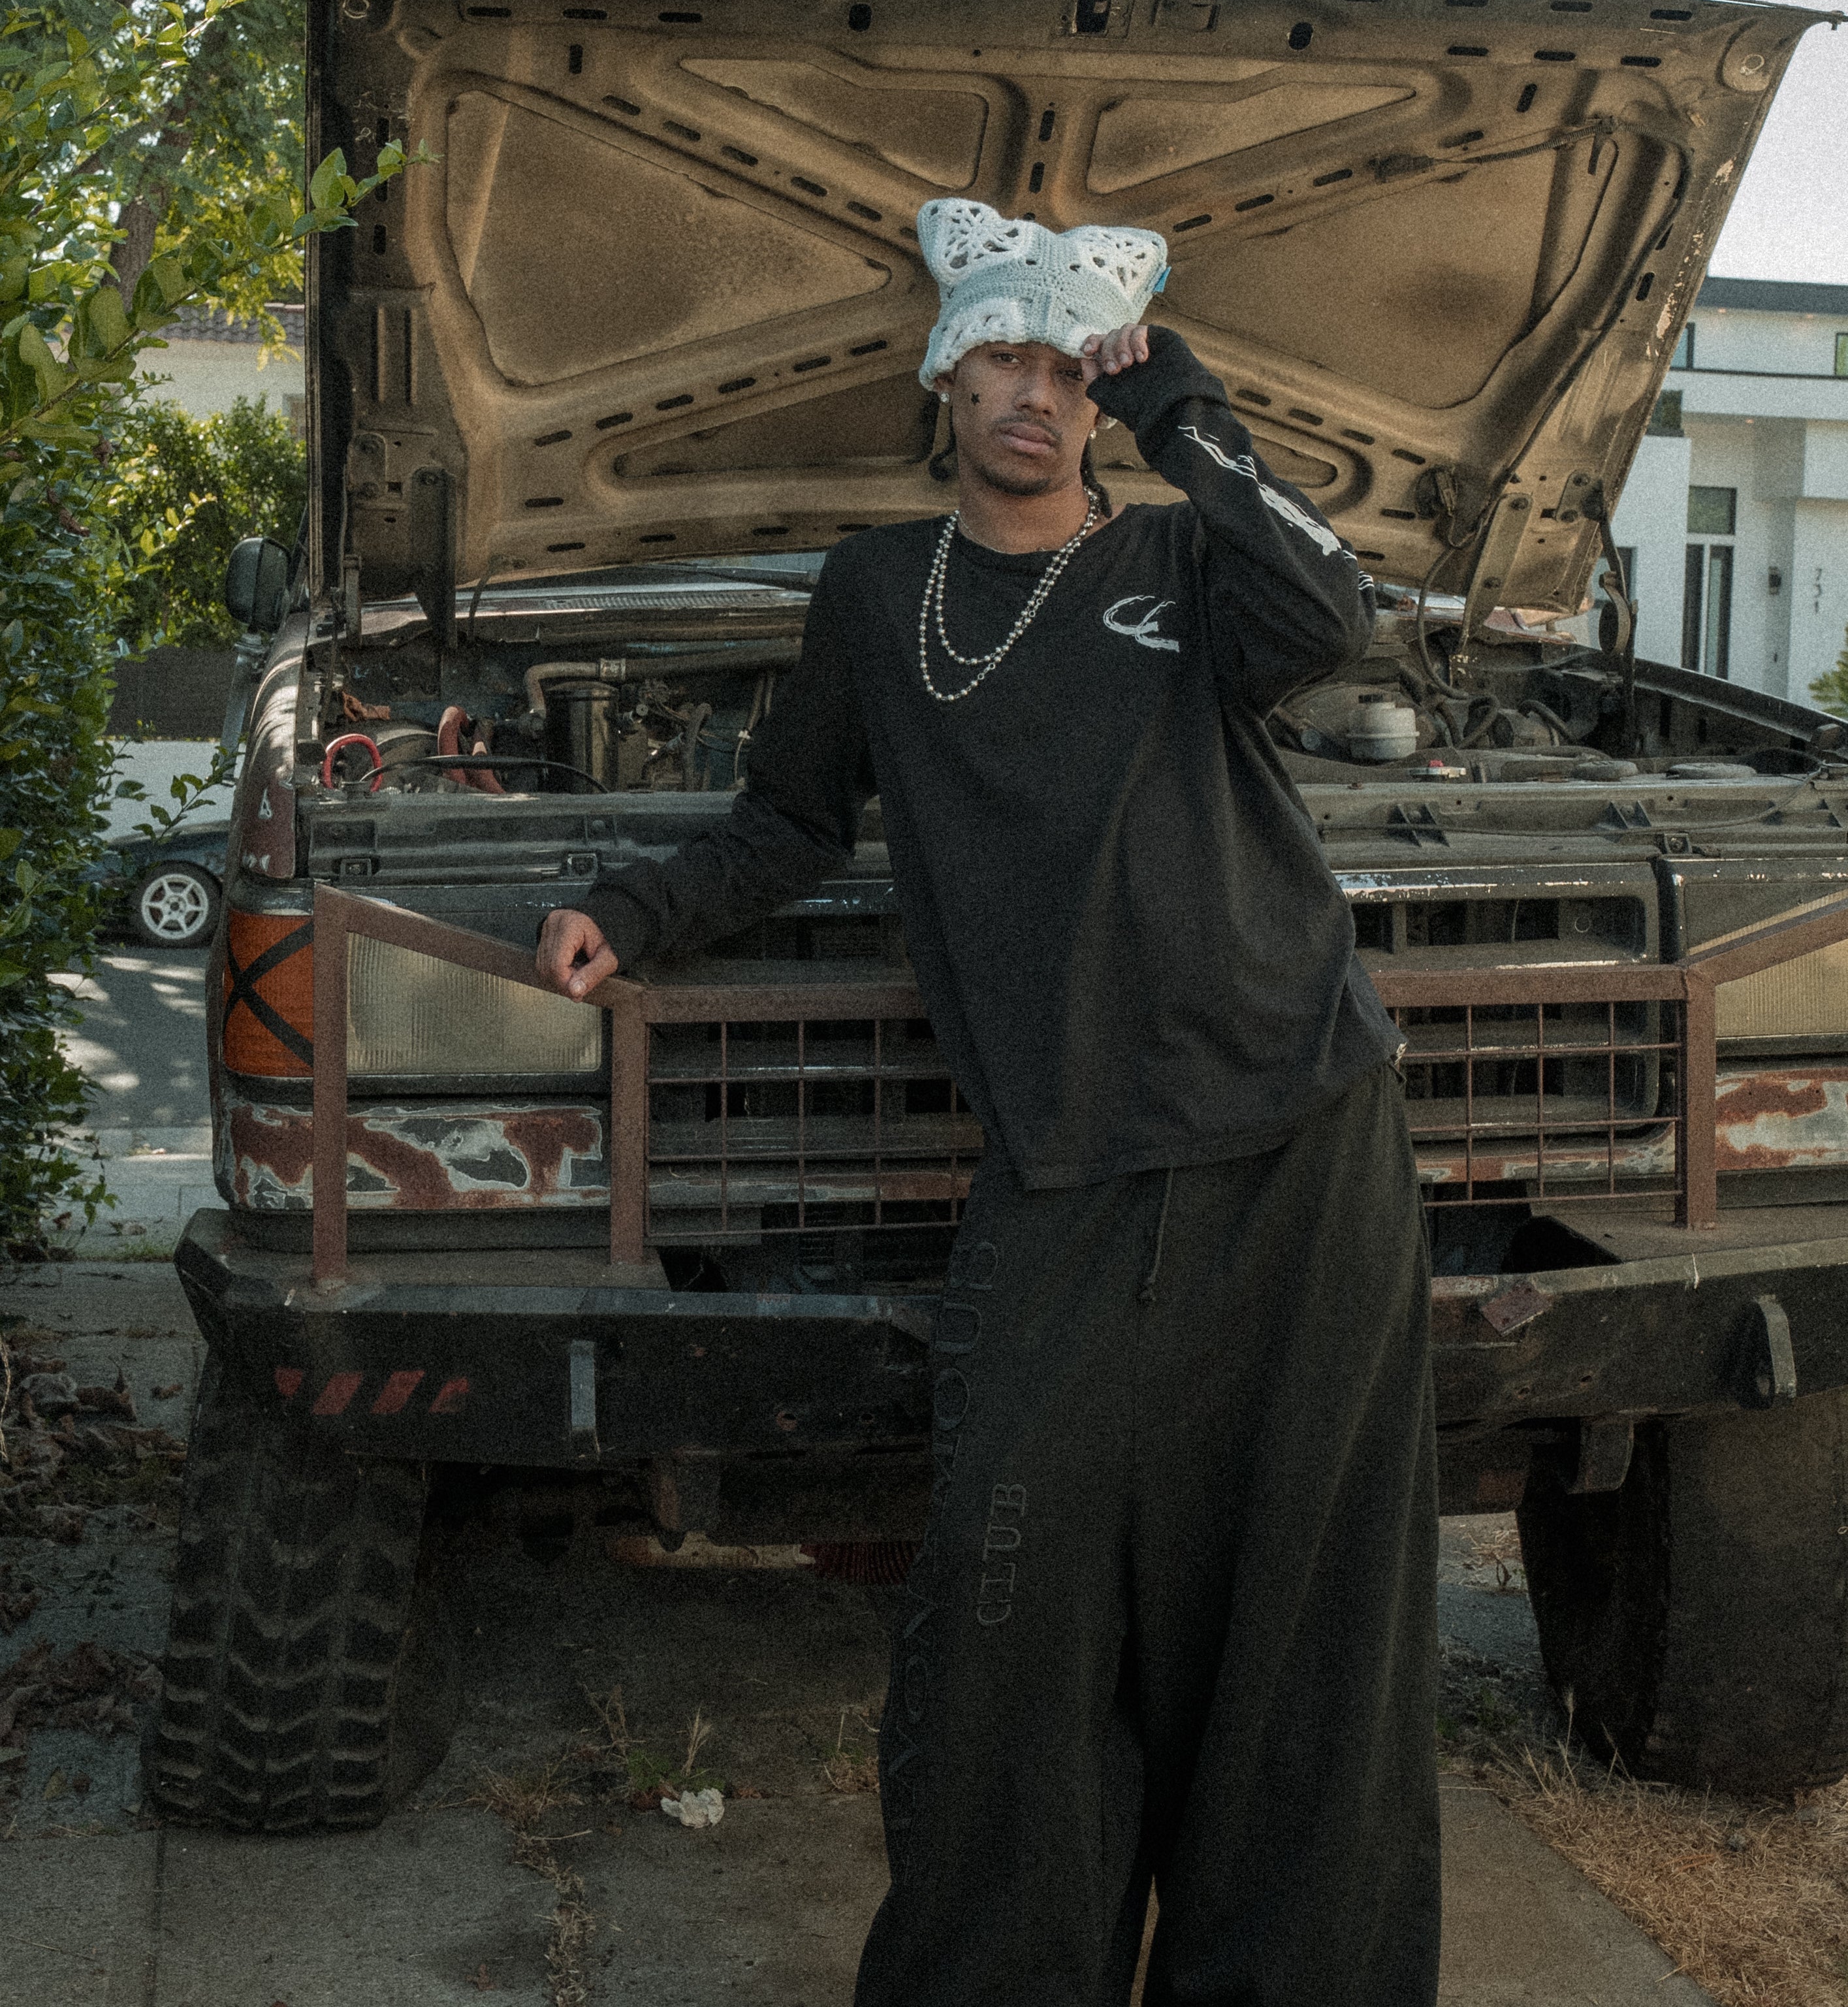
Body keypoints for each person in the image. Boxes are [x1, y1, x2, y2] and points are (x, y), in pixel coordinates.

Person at [537, 197, 1440, 2007]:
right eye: (1003, 360)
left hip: (1302, 1131)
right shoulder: (878, 595)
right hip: (1068, 1158)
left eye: (1065, 366)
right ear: (944, 378)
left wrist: (1179, 400)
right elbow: (790, 817)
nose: (1036, 395)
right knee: (1011, 1616)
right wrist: (628, 911)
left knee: (1301, 1625)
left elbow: (1330, 613)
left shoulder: (1184, 566)